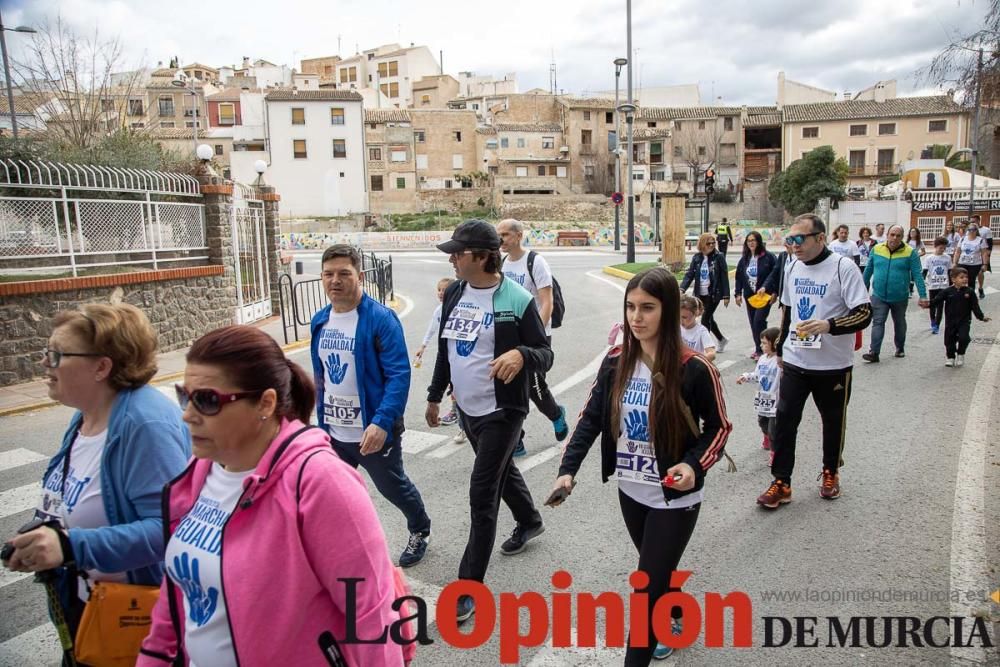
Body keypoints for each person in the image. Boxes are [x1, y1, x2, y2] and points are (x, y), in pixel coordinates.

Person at [140, 326, 408, 666]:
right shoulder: (198, 471)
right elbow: (177, 595)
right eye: (184, 396)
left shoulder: (321, 481)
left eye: (206, 400)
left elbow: (372, 617)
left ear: (265, 404)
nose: (187, 415)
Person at [550, 267, 731, 665]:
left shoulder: (694, 368)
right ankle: (677, 612)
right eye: (630, 307)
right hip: (631, 490)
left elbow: (719, 427)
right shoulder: (616, 361)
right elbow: (591, 418)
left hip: (674, 498)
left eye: (647, 308)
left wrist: (692, 466)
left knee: (645, 590)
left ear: (667, 312)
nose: (636, 317)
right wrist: (568, 468)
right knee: (656, 573)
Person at [3, 304, 190, 664]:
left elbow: (171, 530)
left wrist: (72, 546)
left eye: (57, 354)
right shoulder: (87, 415)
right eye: (46, 352)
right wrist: (47, 535)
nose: (44, 363)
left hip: (135, 621)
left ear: (102, 367)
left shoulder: (144, 425)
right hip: (89, 606)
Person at [425, 220, 551, 624]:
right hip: (468, 410)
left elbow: (544, 352)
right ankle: (530, 520)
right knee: (500, 471)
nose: (452, 259)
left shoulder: (515, 299)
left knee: (482, 493)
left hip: (503, 412)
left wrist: (522, 356)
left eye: (458, 253)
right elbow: (447, 349)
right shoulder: (457, 292)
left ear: (481, 256)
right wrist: (433, 395)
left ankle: (468, 587)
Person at [310, 244, 432, 568]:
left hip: (373, 432)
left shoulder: (380, 319)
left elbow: (398, 375)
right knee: (334, 494)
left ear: (359, 276)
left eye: (343, 274)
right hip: (334, 432)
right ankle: (343, 546)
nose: (335, 280)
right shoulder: (320, 321)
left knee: (393, 487)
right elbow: (320, 376)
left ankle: (420, 528)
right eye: (328, 274)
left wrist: (381, 422)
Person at [756, 214, 872, 509]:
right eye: (790, 239)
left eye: (800, 239)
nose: (794, 245)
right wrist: (781, 349)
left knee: (832, 422)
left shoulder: (843, 268)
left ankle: (831, 472)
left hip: (833, 365)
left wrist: (829, 325)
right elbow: (788, 311)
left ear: (820, 238)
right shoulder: (792, 266)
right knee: (784, 422)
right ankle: (781, 482)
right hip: (797, 361)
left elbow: (864, 313)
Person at [497, 218, 570, 457]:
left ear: (519, 236)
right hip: (510, 336)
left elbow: (546, 301)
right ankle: (516, 440)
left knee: (535, 387)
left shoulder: (535, 262)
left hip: (537, 336)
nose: (501, 240)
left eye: (506, 235)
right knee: (509, 385)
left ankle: (556, 414)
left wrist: (534, 334)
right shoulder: (503, 263)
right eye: (499, 235)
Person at [861, 225, 928, 362]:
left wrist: (923, 295)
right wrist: (861, 291)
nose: (894, 238)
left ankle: (900, 347)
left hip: (899, 296)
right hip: (879, 295)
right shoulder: (877, 249)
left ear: (902, 237)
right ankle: (874, 352)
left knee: (899, 322)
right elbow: (868, 271)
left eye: (898, 235)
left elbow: (917, 274)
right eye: (892, 234)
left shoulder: (910, 252)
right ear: (887, 235)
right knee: (878, 322)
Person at [415, 277, 462, 432]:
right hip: (445, 353)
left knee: (456, 384)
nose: (441, 293)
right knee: (451, 384)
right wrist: (423, 346)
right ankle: (457, 414)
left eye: (445, 290)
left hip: (458, 353)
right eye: (439, 290)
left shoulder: (458, 307)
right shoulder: (438, 310)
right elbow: (431, 329)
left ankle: (458, 414)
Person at [737, 326, 781, 465]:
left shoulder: (780, 361)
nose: (761, 346)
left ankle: (774, 453)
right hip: (763, 398)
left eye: (764, 343)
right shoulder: (762, 359)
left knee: (773, 428)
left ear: (775, 343)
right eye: (761, 343)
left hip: (776, 399)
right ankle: (766, 437)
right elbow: (757, 375)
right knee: (762, 422)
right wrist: (746, 377)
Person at [680, 233, 730, 352]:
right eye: (709, 243)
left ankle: (704, 349)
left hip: (713, 294)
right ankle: (721, 339)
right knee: (709, 318)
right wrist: (682, 288)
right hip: (699, 294)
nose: (712, 245)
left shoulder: (719, 257)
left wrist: (726, 295)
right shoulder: (697, 257)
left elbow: (724, 276)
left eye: (713, 243)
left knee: (705, 319)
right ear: (702, 244)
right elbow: (690, 274)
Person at [931, 268, 991, 367]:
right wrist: (927, 304)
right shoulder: (947, 291)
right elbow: (936, 300)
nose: (965, 279)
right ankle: (950, 357)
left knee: (964, 338)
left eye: (966, 277)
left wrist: (981, 317)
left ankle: (961, 353)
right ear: (953, 279)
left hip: (964, 321)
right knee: (949, 340)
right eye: (961, 277)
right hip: (950, 321)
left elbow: (975, 307)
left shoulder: (970, 292)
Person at [734, 230, 777, 359]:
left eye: (753, 240)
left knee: (759, 320)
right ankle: (759, 348)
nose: (751, 243)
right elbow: (739, 277)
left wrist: (775, 292)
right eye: (749, 241)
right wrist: (737, 294)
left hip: (764, 296)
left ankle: (765, 348)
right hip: (750, 296)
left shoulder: (768, 257)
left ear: (758, 242)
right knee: (753, 322)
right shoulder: (745, 259)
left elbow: (775, 275)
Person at [953, 223, 989, 302]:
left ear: (976, 231)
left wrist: (985, 264)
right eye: (970, 229)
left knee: (971, 280)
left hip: (975, 264)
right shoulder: (963, 239)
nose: (971, 231)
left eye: (973, 230)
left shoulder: (980, 240)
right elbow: (958, 251)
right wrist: (955, 262)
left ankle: (970, 297)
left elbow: (984, 253)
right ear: (967, 230)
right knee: (960, 279)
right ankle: (961, 295)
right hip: (962, 262)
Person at [924, 237, 953, 334]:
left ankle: (937, 324)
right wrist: (922, 282)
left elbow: (950, 271)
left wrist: (951, 284)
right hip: (933, 284)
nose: (942, 250)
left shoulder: (947, 258)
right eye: (940, 248)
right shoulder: (929, 258)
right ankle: (932, 320)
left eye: (944, 248)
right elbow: (925, 271)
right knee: (932, 304)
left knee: (940, 306)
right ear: (935, 246)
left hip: (944, 285)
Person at [680, 295, 717, 363]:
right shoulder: (676, 328)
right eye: (678, 316)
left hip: (692, 368)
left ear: (696, 314)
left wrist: (696, 362)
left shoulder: (701, 331)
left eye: (684, 317)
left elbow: (712, 354)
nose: (680, 320)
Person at [971, 215, 992, 298]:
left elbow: (990, 244)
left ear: (978, 221)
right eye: (971, 221)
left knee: (980, 272)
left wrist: (988, 256)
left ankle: (980, 288)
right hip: (972, 254)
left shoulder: (986, 230)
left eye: (973, 221)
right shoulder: (969, 230)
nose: (972, 223)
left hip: (981, 254)